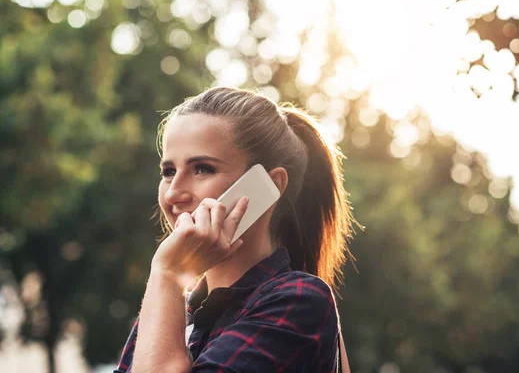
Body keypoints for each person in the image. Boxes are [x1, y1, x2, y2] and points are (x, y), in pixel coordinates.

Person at [114, 87, 354, 372]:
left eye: (202, 169)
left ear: (270, 185)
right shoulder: (169, 306)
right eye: (168, 172)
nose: (172, 194)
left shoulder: (300, 300)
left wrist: (168, 273)